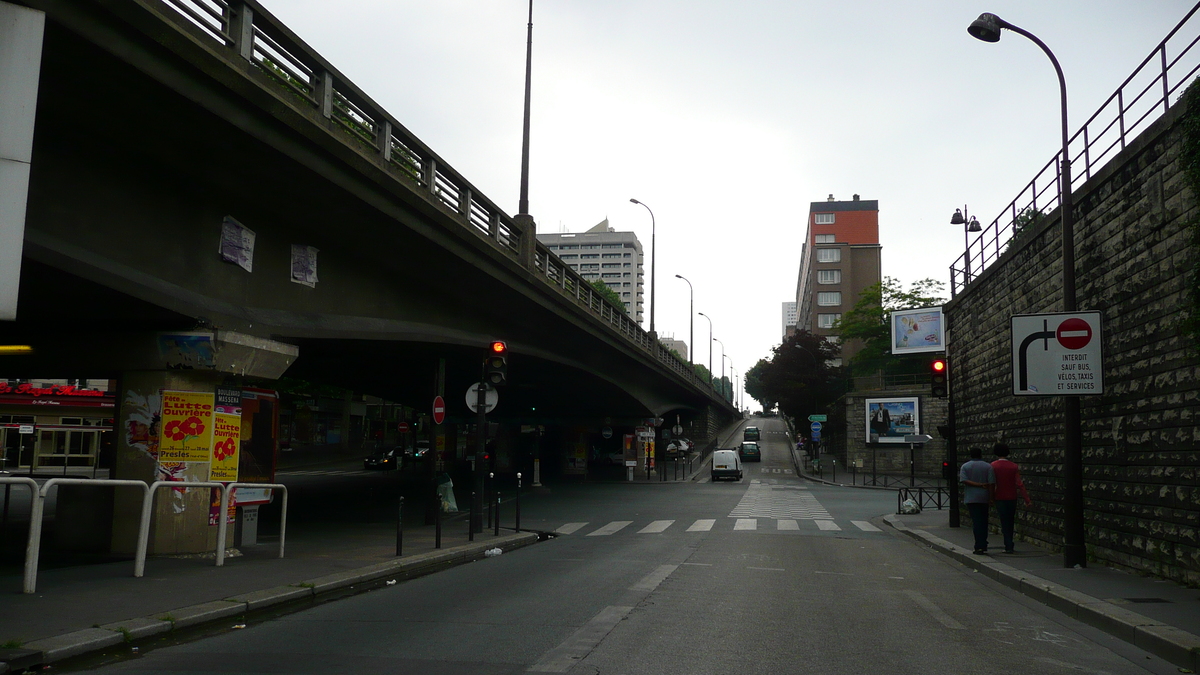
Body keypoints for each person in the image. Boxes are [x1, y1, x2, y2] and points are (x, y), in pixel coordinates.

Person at [991, 443, 1032, 553]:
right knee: (1010, 520)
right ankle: (1010, 543)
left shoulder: (993, 466)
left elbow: (991, 483)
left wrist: (990, 497)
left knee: (1004, 520)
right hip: (1012, 497)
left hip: (999, 496)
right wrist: (1026, 499)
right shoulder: (1013, 466)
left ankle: (1008, 543)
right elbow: (1019, 484)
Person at [959, 447, 996, 554]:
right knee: (984, 521)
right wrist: (991, 498)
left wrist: (978, 485)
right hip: (984, 497)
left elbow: (964, 480)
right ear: (981, 455)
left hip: (971, 498)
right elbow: (992, 483)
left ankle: (978, 545)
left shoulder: (965, 466)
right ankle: (983, 543)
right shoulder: (988, 466)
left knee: (976, 522)